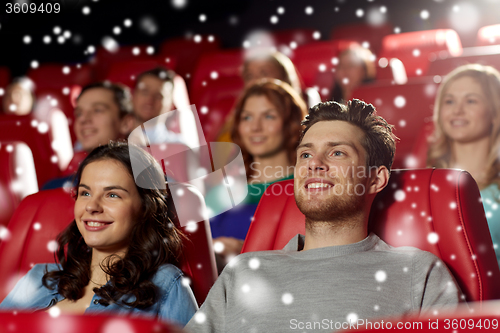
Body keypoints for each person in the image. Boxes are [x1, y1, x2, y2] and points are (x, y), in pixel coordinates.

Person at [186, 99, 460, 332]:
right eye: (305, 154)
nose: (314, 164)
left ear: (376, 179)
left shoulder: (418, 273)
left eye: (337, 152)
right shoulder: (243, 271)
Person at [0, 142, 198, 326]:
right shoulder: (38, 278)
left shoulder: (167, 285)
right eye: (85, 193)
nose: (92, 206)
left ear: (145, 208)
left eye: (112, 195)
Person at [207, 79, 307, 266]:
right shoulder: (222, 189)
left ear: (291, 124)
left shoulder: (308, 187)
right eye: (247, 117)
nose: (255, 127)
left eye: (268, 116)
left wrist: (247, 251)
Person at [427, 64, 500, 266]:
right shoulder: (424, 181)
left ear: (494, 113)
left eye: (471, 101)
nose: (457, 110)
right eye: (449, 101)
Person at [42, 82, 135, 190]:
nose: (83, 119)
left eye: (97, 110)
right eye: (79, 113)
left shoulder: (147, 185)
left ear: (125, 123)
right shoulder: (54, 189)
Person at [131, 67, 185, 145]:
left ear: (171, 107)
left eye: (158, 96)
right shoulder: (113, 139)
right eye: (144, 92)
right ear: (133, 96)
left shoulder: (179, 147)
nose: (149, 100)